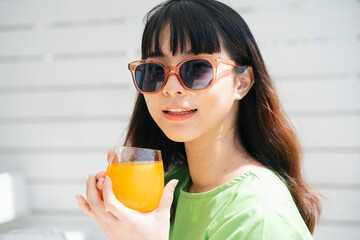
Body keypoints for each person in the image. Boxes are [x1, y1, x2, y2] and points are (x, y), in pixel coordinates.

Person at [76, 0, 322, 239]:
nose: (171, 88)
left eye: (196, 69)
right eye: (154, 70)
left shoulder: (261, 218)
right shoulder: (169, 187)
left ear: (242, 82)